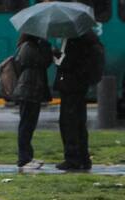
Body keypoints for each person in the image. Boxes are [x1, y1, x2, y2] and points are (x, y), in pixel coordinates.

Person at [53, 30, 105, 171]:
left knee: (68, 123)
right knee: (80, 123)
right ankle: (83, 158)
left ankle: (72, 159)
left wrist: (56, 57)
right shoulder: (89, 39)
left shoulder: (75, 40)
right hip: (80, 86)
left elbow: (69, 62)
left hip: (71, 86)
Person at [11, 33, 53, 172]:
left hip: (30, 90)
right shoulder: (29, 47)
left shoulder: (28, 46)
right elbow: (43, 62)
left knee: (28, 125)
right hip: (29, 90)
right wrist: (47, 47)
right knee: (26, 126)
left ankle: (27, 157)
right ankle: (24, 159)